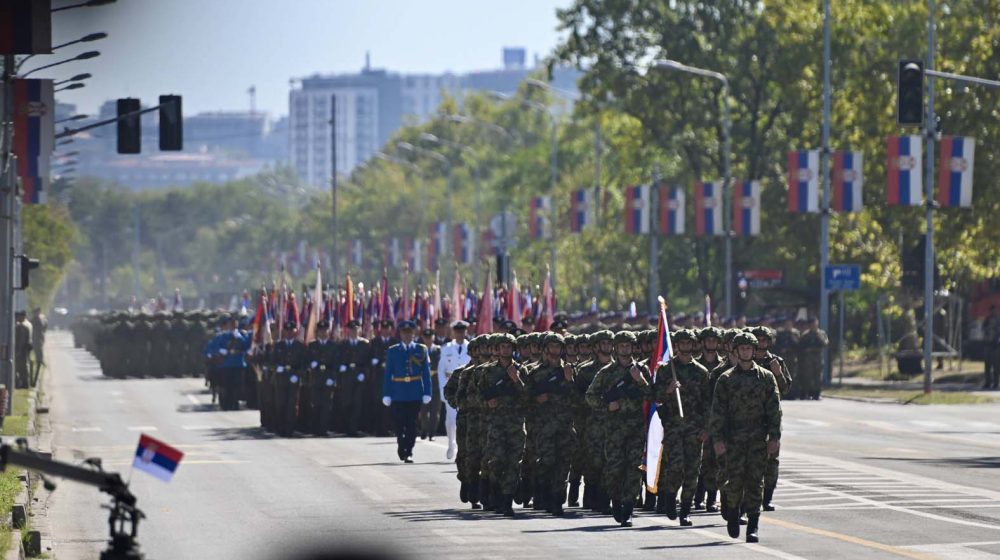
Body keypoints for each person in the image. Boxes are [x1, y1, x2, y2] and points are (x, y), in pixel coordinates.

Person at [586, 331, 672, 527]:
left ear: (634, 348)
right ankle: (616, 500)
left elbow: (653, 395)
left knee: (633, 469)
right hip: (614, 429)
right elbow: (590, 396)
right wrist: (606, 406)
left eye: (628, 346)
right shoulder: (606, 372)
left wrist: (640, 380)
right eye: (622, 346)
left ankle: (628, 507)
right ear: (616, 348)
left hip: (635, 428)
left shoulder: (642, 370)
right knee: (614, 469)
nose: (625, 349)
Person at [709, 332, 782, 543]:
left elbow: (774, 411)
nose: (746, 352)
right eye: (742, 348)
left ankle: (753, 525)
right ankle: (732, 512)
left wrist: (774, 437)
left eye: (749, 348)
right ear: (736, 351)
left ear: (753, 351)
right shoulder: (726, 379)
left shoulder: (766, 378)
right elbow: (718, 413)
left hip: (758, 439)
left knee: (755, 482)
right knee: (734, 481)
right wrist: (718, 440)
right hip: (733, 440)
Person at [654, 329, 710, 526]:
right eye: (682, 344)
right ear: (676, 346)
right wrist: (667, 390)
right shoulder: (666, 370)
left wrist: (706, 428)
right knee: (675, 467)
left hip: (694, 429)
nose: (686, 347)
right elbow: (655, 398)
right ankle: (670, 497)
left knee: (692, 470)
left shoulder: (702, 372)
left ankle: (686, 510)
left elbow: (708, 404)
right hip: (674, 428)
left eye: (689, 344)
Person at [524, 332, 577, 516]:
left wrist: (570, 381)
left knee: (563, 465)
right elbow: (525, 400)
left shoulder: (569, 370)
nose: (555, 350)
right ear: (546, 349)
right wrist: (536, 399)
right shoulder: (536, 373)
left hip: (564, 427)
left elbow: (578, 399)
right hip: (544, 428)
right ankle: (542, 495)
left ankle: (557, 501)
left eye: (558, 346)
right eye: (552, 346)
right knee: (546, 463)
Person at [477, 333, 527, 517]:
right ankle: (496, 495)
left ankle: (507, 502)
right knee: (496, 462)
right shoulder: (487, 372)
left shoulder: (522, 370)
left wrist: (516, 380)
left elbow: (529, 398)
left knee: (514, 463)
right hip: (495, 424)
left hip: (515, 424)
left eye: (509, 346)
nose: (506, 350)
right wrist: (487, 403)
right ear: (497, 350)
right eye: (502, 347)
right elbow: (477, 397)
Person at [382, 321, 432, 463]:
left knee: (412, 424)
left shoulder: (421, 349)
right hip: (398, 392)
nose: (407, 335)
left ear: (414, 333)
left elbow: (426, 373)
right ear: (400, 334)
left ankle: (409, 450)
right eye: (404, 332)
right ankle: (401, 444)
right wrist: (386, 393)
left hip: (415, 392)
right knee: (399, 423)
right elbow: (388, 374)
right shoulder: (393, 351)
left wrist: (427, 392)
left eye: (410, 332)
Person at [438, 320, 470, 459]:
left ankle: (463, 446)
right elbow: (441, 371)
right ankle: (451, 444)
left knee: (465, 419)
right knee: (451, 420)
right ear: (453, 332)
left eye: (462, 331)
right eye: (457, 331)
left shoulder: (471, 347)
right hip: (451, 386)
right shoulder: (446, 348)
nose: (460, 334)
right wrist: (443, 391)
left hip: (467, 387)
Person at [269, 320, 307, 437]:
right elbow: (271, 362)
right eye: (287, 331)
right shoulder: (278, 345)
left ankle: (289, 429)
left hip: (293, 378)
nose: (290, 333)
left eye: (292, 330)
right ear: (284, 332)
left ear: (296, 331)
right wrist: (276, 368)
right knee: (280, 403)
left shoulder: (300, 346)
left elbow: (304, 364)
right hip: (281, 378)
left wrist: (298, 375)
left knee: (292, 405)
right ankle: (280, 427)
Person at [336, 320, 371, 436]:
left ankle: (353, 428)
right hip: (347, 375)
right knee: (347, 402)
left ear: (360, 330)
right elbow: (338, 358)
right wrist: (341, 367)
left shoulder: (365, 344)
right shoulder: (343, 344)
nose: (354, 332)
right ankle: (346, 426)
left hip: (359, 374)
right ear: (348, 331)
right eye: (351, 330)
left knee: (357, 403)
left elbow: (368, 361)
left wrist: (364, 373)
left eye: (356, 330)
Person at [307, 319, 338, 436]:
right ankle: (315, 429)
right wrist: (311, 364)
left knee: (326, 405)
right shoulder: (312, 345)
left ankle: (323, 430)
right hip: (316, 378)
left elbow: (336, 363)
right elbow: (306, 360)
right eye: (321, 331)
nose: (323, 333)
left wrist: (332, 377)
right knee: (316, 404)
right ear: (317, 332)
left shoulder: (333, 346)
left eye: (325, 331)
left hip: (328, 378)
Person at [369, 320, 398, 436]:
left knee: (389, 405)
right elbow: (368, 357)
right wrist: (373, 362)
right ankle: (378, 429)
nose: (386, 331)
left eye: (388, 328)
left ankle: (387, 428)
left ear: (391, 329)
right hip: (378, 377)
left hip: (391, 378)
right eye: (384, 328)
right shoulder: (374, 342)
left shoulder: (395, 342)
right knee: (377, 403)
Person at [418, 328, 442, 442]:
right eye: (426, 337)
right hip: (423, 384)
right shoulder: (419, 350)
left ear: (434, 337)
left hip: (436, 384)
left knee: (435, 411)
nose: (428, 340)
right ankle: (424, 430)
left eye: (430, 337)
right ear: (423, 338)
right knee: (423, 410)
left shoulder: (439, 350)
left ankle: (432, 433)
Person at [798, 318, 829, 399]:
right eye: (812, 325)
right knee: (808, 376)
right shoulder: (805, 334)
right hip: (808, 358)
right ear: (809, 325)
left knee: (818, 376)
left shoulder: (821, 333)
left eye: (815, 324)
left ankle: (817, 393)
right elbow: (800, 346)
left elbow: (825, 343)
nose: (814, 326)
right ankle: (807, 393)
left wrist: (818, 335)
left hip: (818, 357)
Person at [14, 311, 32, 389]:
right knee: (19, 368)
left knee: (23, 368)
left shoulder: (23, 328)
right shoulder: (18, 327)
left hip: (23, 351)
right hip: (20, 351)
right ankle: (20, 383)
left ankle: (24, 384)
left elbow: (25, 340)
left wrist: (20, 351)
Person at [29, 308, 47, 385]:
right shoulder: (40, 319)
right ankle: (33, 381)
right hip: (37, 339)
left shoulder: (38, 319)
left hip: (37, 339)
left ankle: (34, 380)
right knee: (38, 355)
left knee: (38, 355)